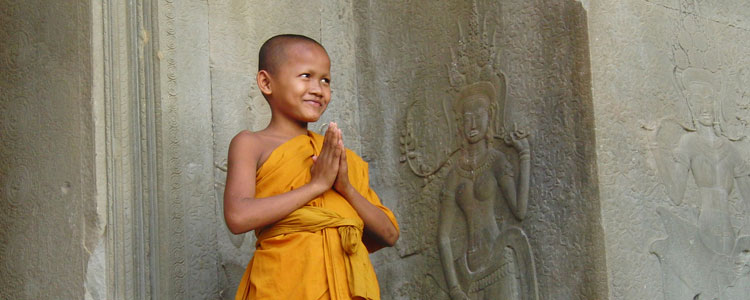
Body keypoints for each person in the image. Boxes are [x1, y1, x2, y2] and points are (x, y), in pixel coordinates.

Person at [223, 34, 399, 300]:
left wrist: (345, 188)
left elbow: (389, 234)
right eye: (305, 76)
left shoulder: (337, 157)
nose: (318, 89)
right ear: (266, 82)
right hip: (283, 284)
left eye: (325, 80)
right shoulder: (251, 143)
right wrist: (317, 186)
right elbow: (237, 216)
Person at [437, 82, 537, 300]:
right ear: (459, 124)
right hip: (468, 269)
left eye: (478, 115)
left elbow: (519, 211)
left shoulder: (496, 161)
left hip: (499, 258)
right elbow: (443, 237)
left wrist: (525, 156)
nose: (472, 123)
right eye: (466, 117)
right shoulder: (454, 175)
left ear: (490, 116)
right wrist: (454, 287)